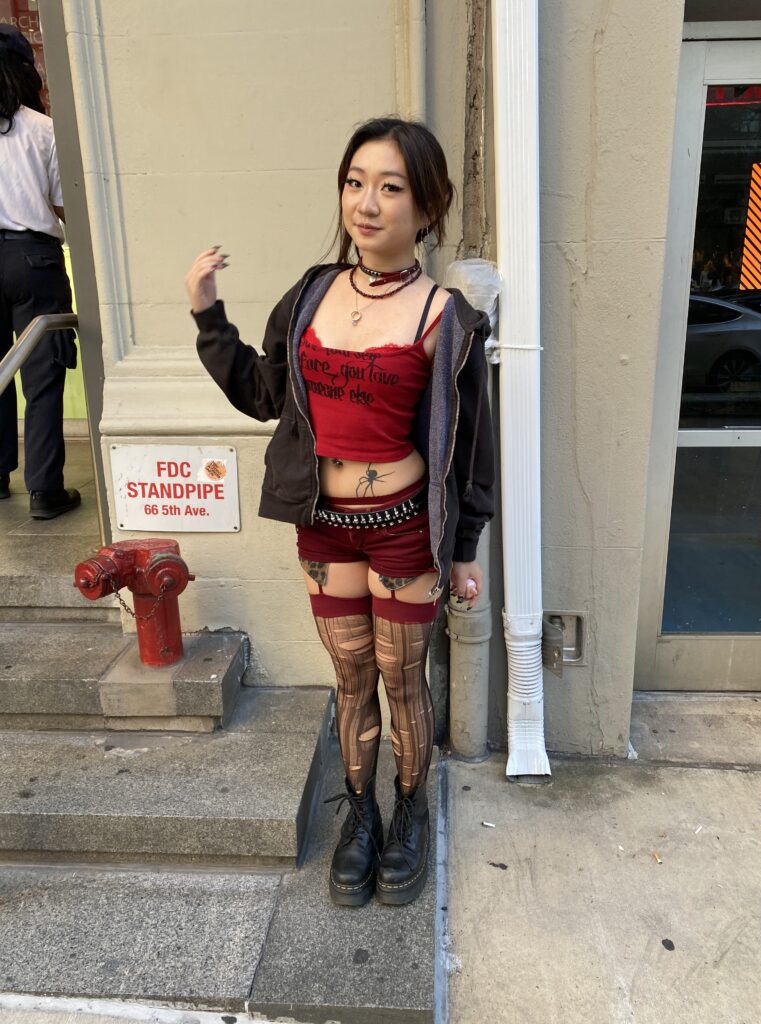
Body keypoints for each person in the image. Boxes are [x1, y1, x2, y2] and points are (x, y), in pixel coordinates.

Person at [185, 117, 494, 907]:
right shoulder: (311, 294)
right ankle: (360, 815)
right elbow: (262, 392)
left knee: (404, 679)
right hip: (325, 525)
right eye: (356, 182)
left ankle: (409, 811)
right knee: (352, 676)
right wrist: (207, 317)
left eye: (391, 187)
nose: (367, 202)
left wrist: (465, 548)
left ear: (427, 207)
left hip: (404, 531)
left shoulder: (446, 317)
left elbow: (472, 447)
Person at [0, 25, 79, 517]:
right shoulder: (42, 129)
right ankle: (45, 491)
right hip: (34, 259)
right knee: (42, 375)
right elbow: (65, 203)